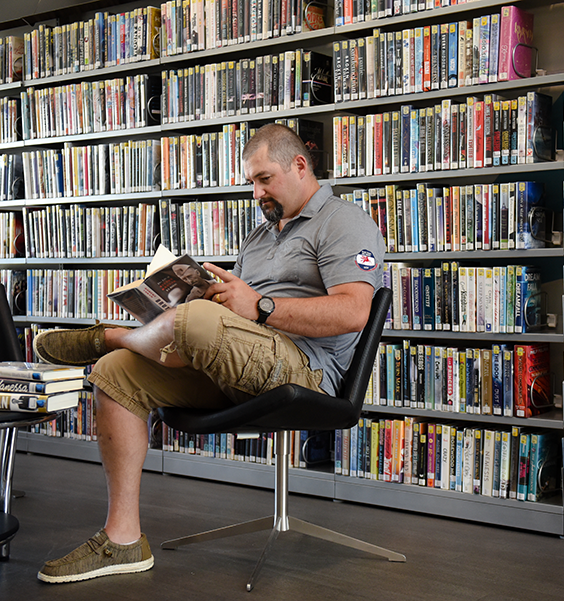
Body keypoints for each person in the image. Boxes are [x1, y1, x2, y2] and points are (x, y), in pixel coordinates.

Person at [33, 124, 385, 584]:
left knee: (197, 322)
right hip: (241, 360)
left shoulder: (344, 221)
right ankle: (122, 540)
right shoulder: (259, 238)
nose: (257, 192)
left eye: (265, 179)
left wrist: (258, 305)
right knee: (114, 372)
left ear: (300, 166)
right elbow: (230, 322)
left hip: (304, 371)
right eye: (251, 183)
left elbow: (354, 311)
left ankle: (113, 334)